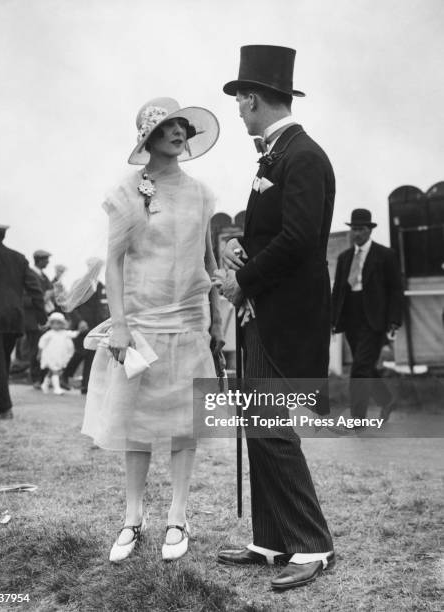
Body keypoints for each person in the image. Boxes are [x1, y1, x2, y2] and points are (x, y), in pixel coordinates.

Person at [80, 97, 222, 563]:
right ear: (149, 138)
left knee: (186, 423)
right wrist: (119, 324)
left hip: (189, 321)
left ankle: (178, 517)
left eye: (182, 126)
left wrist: (215, 319)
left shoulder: (202, 193)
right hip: (141, 322)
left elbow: (208, 261)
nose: (178, 133)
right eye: (167, 127)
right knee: (136, 422)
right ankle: (132, 517)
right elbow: (115, 265)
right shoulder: (128, 192)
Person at [218, 45, 335, 590]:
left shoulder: (301, 155)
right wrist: (245, 247)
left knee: (269, 426)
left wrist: (242, 279)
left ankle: (312, 546)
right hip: (264, 309)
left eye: (241, 99)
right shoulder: (276, 155)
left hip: (283, 314)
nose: (239, 108)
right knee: (256, 424)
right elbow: (275, 235)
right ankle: (271, 540)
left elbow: (299, 240)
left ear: (254, 98)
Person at [332, 208, 403, 421]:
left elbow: (395, 289)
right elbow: (338, 292)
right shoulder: (344, 258)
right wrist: (333, 320)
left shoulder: (385, 255)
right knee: (366, 366)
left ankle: (357, 419)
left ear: (369, 231)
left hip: (375, 319)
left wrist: (393, 321)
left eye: (361, 229)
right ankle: (387, 400)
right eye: (354, 229)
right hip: (351, 318)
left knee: (359, 369)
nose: (357, 234)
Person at [0, 224, 46, 419]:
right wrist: (42, 316)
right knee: (3, 361)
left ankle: (5, 407)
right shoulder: (19, 259)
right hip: (14, 319)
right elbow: (35, 289)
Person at [58, 259, 109, 394]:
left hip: (96, 325)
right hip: (83, 325)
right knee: (81, 351)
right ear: (88, 267)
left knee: (91, 354)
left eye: (99, 267)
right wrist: (79, 321)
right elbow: (71, 304)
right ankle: (64, 375)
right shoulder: (80, 283)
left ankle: (86, 385)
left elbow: (102, 306)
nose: (96, 269)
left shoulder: (100, 285)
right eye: (94, 267)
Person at [24, 249, 54, 388]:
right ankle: (35, 378)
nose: (48, 262)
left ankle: (42, 379)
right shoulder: (29, 274)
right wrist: (43, 298)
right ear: (39, 259)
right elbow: (24, 299)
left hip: (44, 318)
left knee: (45, 348)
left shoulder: (44, 276)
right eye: (46, 259)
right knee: (35, 348)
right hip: (33, 319)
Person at [38, 312, 78, 395]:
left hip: (59, 356)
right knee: (55, 371)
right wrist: (39, 353)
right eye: (53, 323)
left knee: (52, 371)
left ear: (62, 324)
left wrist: (79, 331)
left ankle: (45, 384)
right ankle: (57, 388)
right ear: (50, 324)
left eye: (58, 323)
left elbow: (73, 334)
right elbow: (42, 343)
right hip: (50, 355)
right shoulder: (49, 334)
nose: (56, 325)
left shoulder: (64, 333)